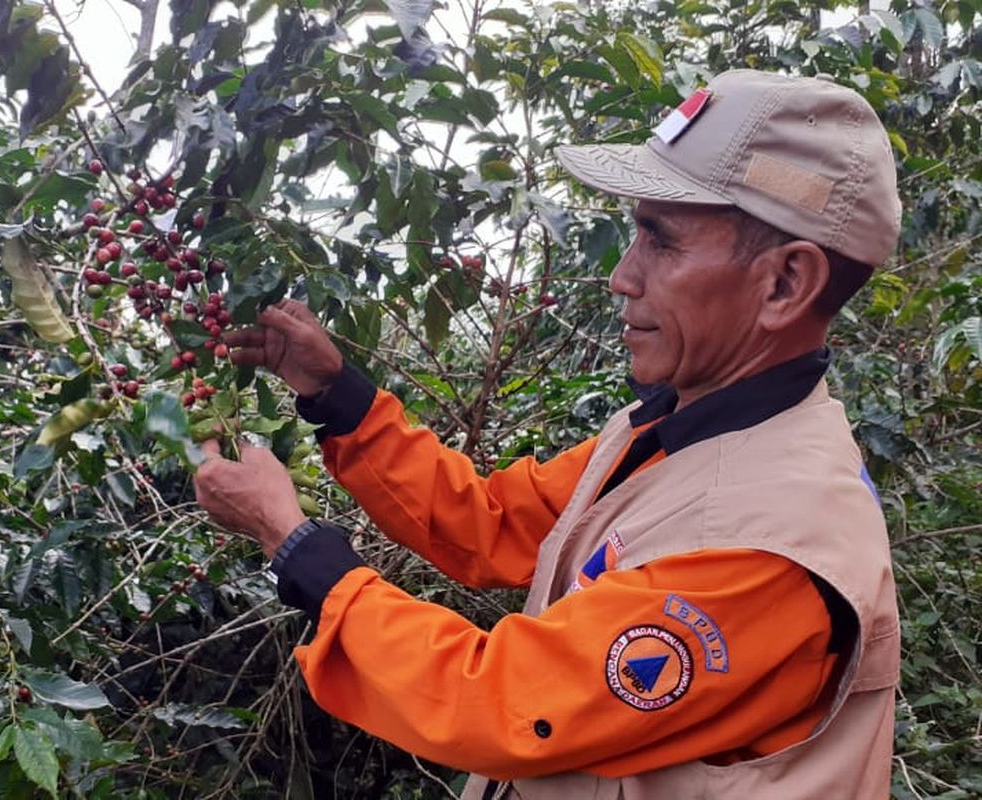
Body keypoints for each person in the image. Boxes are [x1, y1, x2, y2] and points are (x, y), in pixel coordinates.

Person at [194, 69, 901, 799]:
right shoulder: (670, 432)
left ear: (785, 284)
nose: (623, 277)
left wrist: (292, 540)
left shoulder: (769, 544)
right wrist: (335, 394)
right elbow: (494, 522)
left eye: (660, 241)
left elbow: (502, 705)